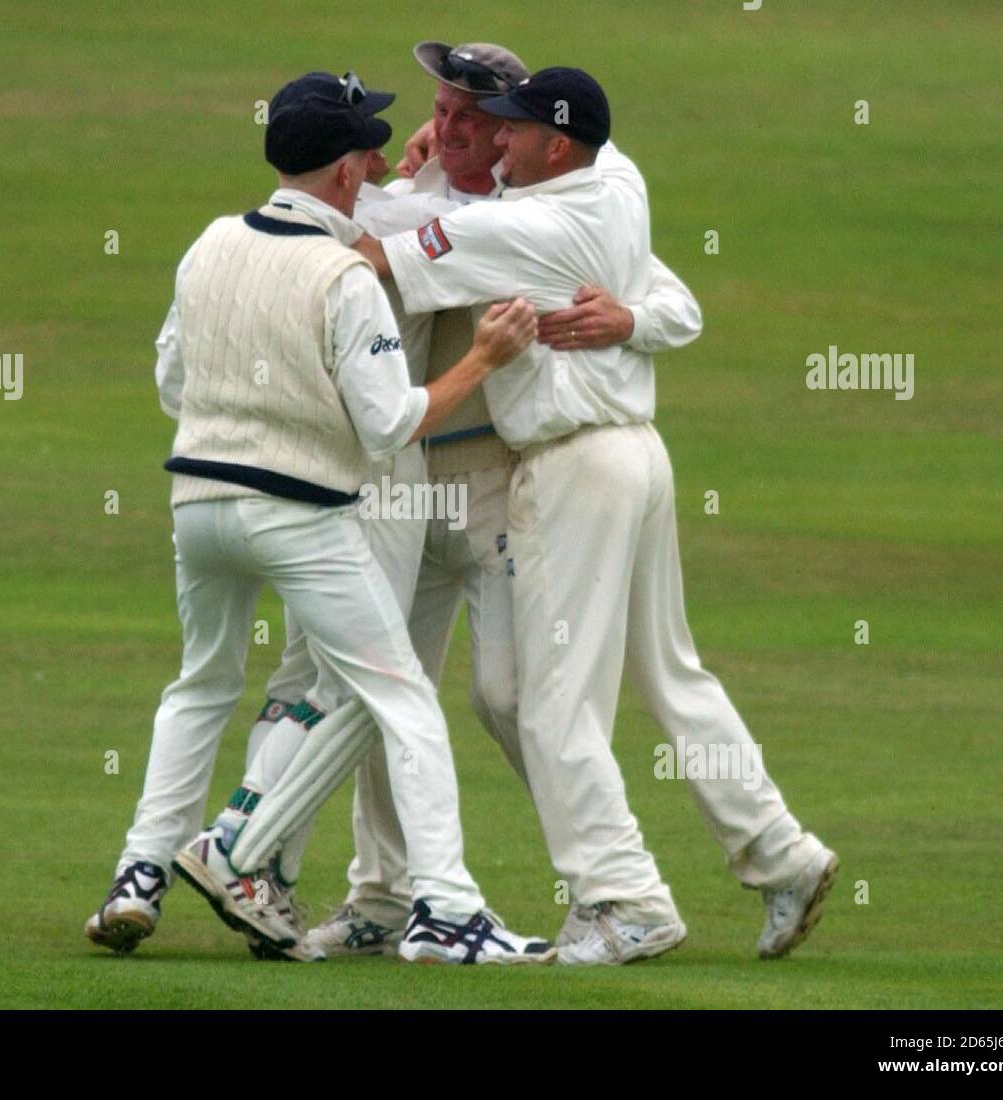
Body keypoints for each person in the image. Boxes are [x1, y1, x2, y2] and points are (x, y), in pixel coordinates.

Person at [355, 67, 838, 965]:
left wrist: (407, 185)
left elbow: (376, 251)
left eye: (511, 129)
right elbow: (680, 303)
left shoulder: (515, 224)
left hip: (574, 466)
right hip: (639, 457)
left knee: (551, 702)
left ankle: (624, 900)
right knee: (670, 674)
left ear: (557, 146)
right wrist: (633, 319)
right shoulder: (619, 185)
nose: (494, 140)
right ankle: (782, 854)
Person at [84, 69, 553, 966]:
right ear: (343, 174)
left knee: (201, 685)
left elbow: (172, 383)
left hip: (196, 508)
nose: (382, 158)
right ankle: (445, 911)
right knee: (403, 699)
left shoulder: (209, 244)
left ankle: (139, 874)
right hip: (298, 515)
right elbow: (390, 424)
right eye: (367, 149)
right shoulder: (344, 276)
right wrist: (485, 355)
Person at [303, 40, 706, 959]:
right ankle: (382, 895)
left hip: (498, 480)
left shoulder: (546, 213)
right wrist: (404, 183)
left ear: (524, 140)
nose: (449, 130)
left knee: (516, 693)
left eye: (476, 122)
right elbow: (360, 239)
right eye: (440, 112)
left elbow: (675, 300)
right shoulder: (429, 196)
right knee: (384, 686)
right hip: (401, 483)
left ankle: (618, 885)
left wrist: (633, 318)